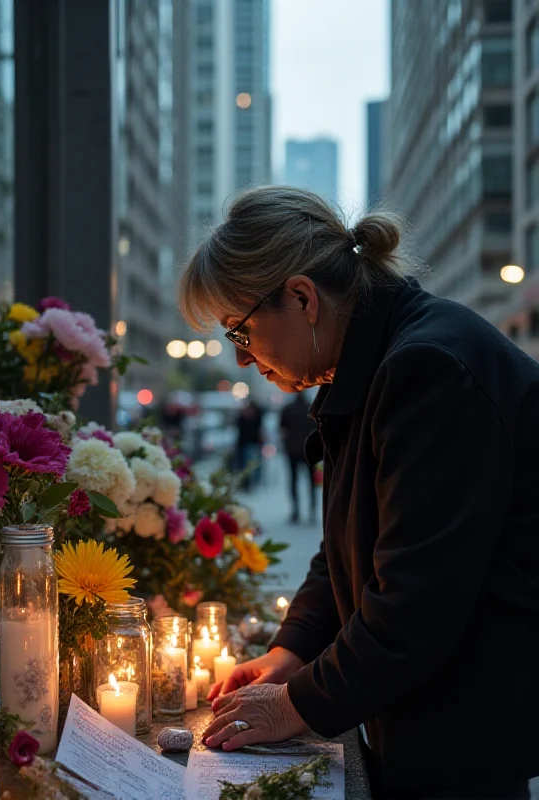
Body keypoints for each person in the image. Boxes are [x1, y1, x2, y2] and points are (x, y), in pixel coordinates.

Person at [177, 185, 539, 799]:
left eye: (239, 332)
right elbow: (347, 544)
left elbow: (413, 604)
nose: (241, 361)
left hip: (465, 737)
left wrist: (292, 706)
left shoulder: (427, 369)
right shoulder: (373, 365)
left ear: (301, 297)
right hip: (428, 719)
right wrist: (291, 650)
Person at [279, 393, 317, 523]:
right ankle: (312, 510)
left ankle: (296, 510)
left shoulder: (288, 409)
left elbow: (282, 430)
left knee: (293, 481)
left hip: (293, 450)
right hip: (310, 451)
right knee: (311, 482)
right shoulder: (312, 407)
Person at [234, 399, 264, 490]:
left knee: (252, 465)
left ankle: (251, 483)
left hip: (252, 445)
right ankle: (247, 484)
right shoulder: (243, 419)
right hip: (245, 445)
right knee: (247, 466)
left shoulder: (255, 419)